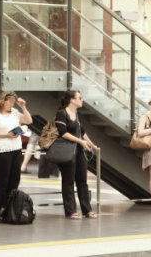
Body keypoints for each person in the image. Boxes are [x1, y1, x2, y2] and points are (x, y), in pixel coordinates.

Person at [0, 90, 32, 223]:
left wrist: (23, 106)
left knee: (14, 181)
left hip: (16, 150)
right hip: (1, 151)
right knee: (1, 182)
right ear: (2, 100)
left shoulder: (15, 113)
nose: (11, 104)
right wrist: (5, 135)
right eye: (9, 101)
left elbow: (29, 120)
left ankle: (10, 209)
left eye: (13, 102)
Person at [54, 90, 98, 220]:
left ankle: (87, 210)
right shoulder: (62, 113)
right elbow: (63, 132)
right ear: (72, 100)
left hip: (79, 151)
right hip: (67, 151)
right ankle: (71, 210)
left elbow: (82, 132)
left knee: (82, 181)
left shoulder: (77, 114)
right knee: (68, 181)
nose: (82, 100)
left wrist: (92, 145)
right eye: (80, 97)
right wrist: (80, 141)